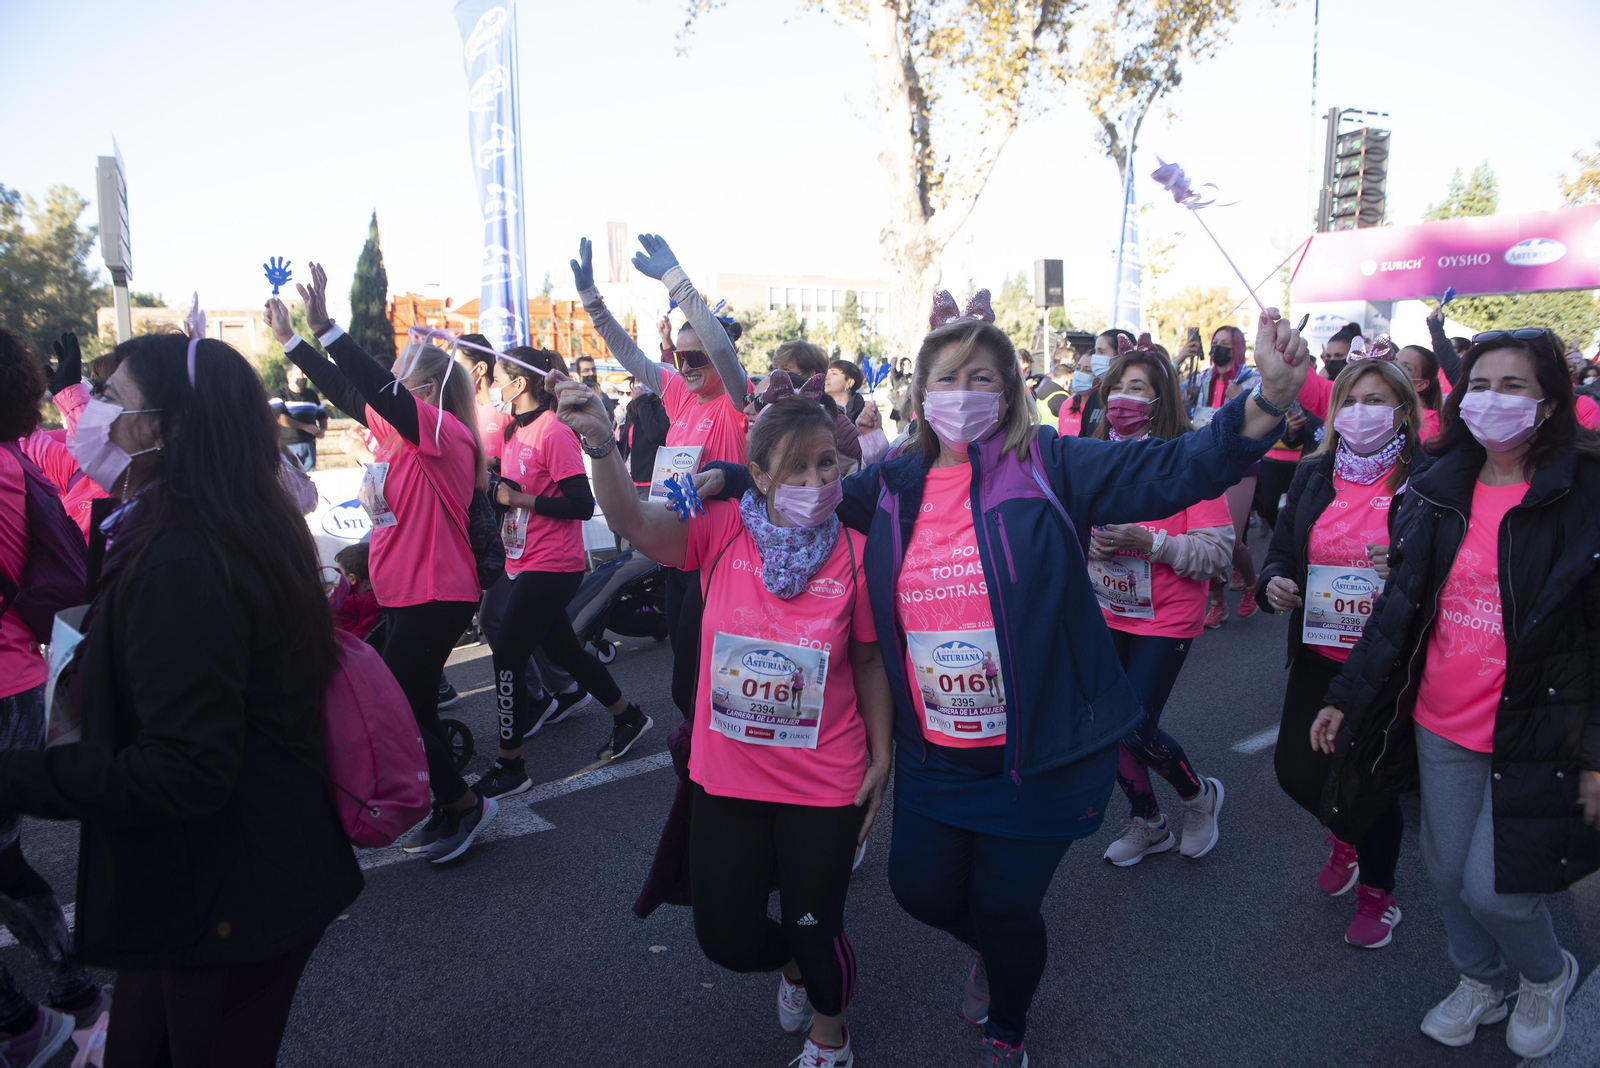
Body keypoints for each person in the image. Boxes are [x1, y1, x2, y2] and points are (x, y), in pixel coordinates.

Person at [702, 293, 1309, 1066]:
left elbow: (1176, 467)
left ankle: (1009, 1029)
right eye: (948, 377)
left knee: (1008, 906)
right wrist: (727, 475)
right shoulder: (889, 488)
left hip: (1040, 755)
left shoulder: (1052, 462)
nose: (964, 392)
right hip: (936, 756)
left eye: (983, 377)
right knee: (922, 890)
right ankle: (991, 945)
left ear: (1012, 391)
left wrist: (1264, 404)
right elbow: (800, 488)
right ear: (922, 395)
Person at [0, 327, 361, 1066]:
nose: (87, 413)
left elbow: (187, 770)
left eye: (108, 398)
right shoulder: (181, 528)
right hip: (210, 883)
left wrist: (15, 774)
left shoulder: (185, 557)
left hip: (229, 892)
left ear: (164, 429)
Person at [560, 375, 892, 1068]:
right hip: (729, 780)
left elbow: (866, 663)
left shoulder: (858, 553)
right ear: (760, 475)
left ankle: (831, 1034)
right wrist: (599, 440)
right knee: (727, 939)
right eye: (796, 466)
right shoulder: (720, 528)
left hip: (823, 784)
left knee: (814, 924)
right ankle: (797, 968)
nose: (815, 478)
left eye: (826, 462)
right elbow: (632, 521)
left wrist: (882, 758)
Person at [1310, 327, 1600, 1058]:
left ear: (1550, 402)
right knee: (1444, 874)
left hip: (1537, 726)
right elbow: (1398, 607)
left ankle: (1545, 973)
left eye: (1514, 386)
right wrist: (1346, 693)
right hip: (1441, 721)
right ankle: (1481, 978)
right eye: (1480, 384)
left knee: (1496, 888)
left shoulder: (1584, 494)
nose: (1491, 400)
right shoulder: (1439, 486)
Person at [266, 264, 496, 865]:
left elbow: (374, 389)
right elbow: (351, 393)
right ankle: (450, 804)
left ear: (421, 388)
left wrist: (331, 329)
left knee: (402, 702)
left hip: (437, 590)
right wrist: (294, 341)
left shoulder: (443, 433)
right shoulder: (397, 436)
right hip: (403, 590)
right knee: (410, 703)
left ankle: (464, 803)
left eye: (397, 377)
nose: (384, 384)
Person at [1255, 339, 1424, 949]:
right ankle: (1345, 835)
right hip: (1318, 653)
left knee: (1369, 782)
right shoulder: (1313, 472)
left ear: (1403, 409)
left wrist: (1403, 566)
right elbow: (1281, 550)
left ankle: (1380, 891)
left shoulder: (1427, 481)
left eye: (1376, 400)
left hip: (1385, 663)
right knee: (1296, 771)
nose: (1359, 411)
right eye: (1350, 400)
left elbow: (1445, 570)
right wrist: (1275, 582)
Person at [575, 234, 751, 721]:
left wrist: (677, 281)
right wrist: (592, 302)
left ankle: (713, 772)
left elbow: (719, 347)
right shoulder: (678, 394)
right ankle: (699, 764)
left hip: (721, 558)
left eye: (699, 357)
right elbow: (631, 355)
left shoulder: (739, 401)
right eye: (681, 357)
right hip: (676, 553)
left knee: (700, 684)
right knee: (685, 683)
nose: (687, 366)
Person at [0, 328, 109, 1068]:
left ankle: (60, 1008)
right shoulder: (21, 456)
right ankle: (41, 1013)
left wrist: (73, 388)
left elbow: (84, 445)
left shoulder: (13, 466)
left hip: (11, 682)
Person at [475, 348, 651, 799]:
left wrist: (520, 501)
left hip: (553, 563)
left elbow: (581, 504)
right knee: (565, 652)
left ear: (520, 384)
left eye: (498, 379)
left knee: (508, 652)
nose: (494, 387)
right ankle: (627, 715)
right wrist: (500, 488)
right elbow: (516, 489)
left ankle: (510, 763)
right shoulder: (516, 431)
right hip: (525, 559)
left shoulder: (554, 431)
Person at [1087, 339, 1232, 867]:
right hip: (1105, 610)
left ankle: (1199, 798)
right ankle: (1149, 822)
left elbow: (1218, 555)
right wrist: (1087, 541)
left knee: (1133, 727)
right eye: (1118, 387)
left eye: (1137, 388)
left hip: (1165, 619)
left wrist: (1152, 544)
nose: (1123, 398)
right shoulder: (1094, 455)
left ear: (1161, 397)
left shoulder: (1191, 461)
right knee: (1108, 729)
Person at [1181, 325, 1261, 625]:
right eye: (1215, 343)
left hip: (1240, 462)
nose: (1218, 348)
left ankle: (1252, 583)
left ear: (1237, 347)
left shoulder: (1251, 379)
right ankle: (1218, 602)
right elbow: (1170, 395)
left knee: (1230, 540)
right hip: (1204, 460)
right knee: (1204, 537)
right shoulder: (1201, 377)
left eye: (1225, 343)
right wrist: (1180, 359)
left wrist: (1241, 398)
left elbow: (1270, 412)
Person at [618, 375, 671, 500]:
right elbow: (626, 443)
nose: (640, 384)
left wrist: (642, 402)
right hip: (630, 480)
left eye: (644, 380)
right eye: (637, 380)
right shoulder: (632, 407)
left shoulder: (661, 406)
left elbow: (654, 434)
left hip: (652, 481)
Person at [1076, 328, 1135, 437]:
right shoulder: (1095, 396)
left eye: (1101, 352)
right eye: (1095, 351)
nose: (1095, 357)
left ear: (1121, 355)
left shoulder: (1133, 397)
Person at [272, 363, 327, 472]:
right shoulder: (279, 394)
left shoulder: (311, 395)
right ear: (290, 376)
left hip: (309, 444)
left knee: (308, 477)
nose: (305, 377)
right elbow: (279, 417)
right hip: (287, 445)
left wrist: (323, 429)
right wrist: (305, 427)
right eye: (302, 373)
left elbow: (321, 414)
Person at [573, 353, 617, 420]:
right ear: (577, 375)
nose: (591, 373)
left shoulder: (603, 397)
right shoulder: (574, 399)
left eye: (593, 370)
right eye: (586, 370)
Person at [826, 359, 867, 424]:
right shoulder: (819, 409)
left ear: (850, 382)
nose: (826, 377)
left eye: (834, 373)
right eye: (826, 373)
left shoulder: (865, 413)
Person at [888, 356, 915, 434]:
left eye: (908, 364)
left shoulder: (912, 377)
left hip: (912, 409)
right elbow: (892, 368)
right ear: (901, 366)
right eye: (904, 364)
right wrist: (895, 356)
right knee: (903, 435)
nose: (906, 367)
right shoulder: (897, 377)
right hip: (901, 411)